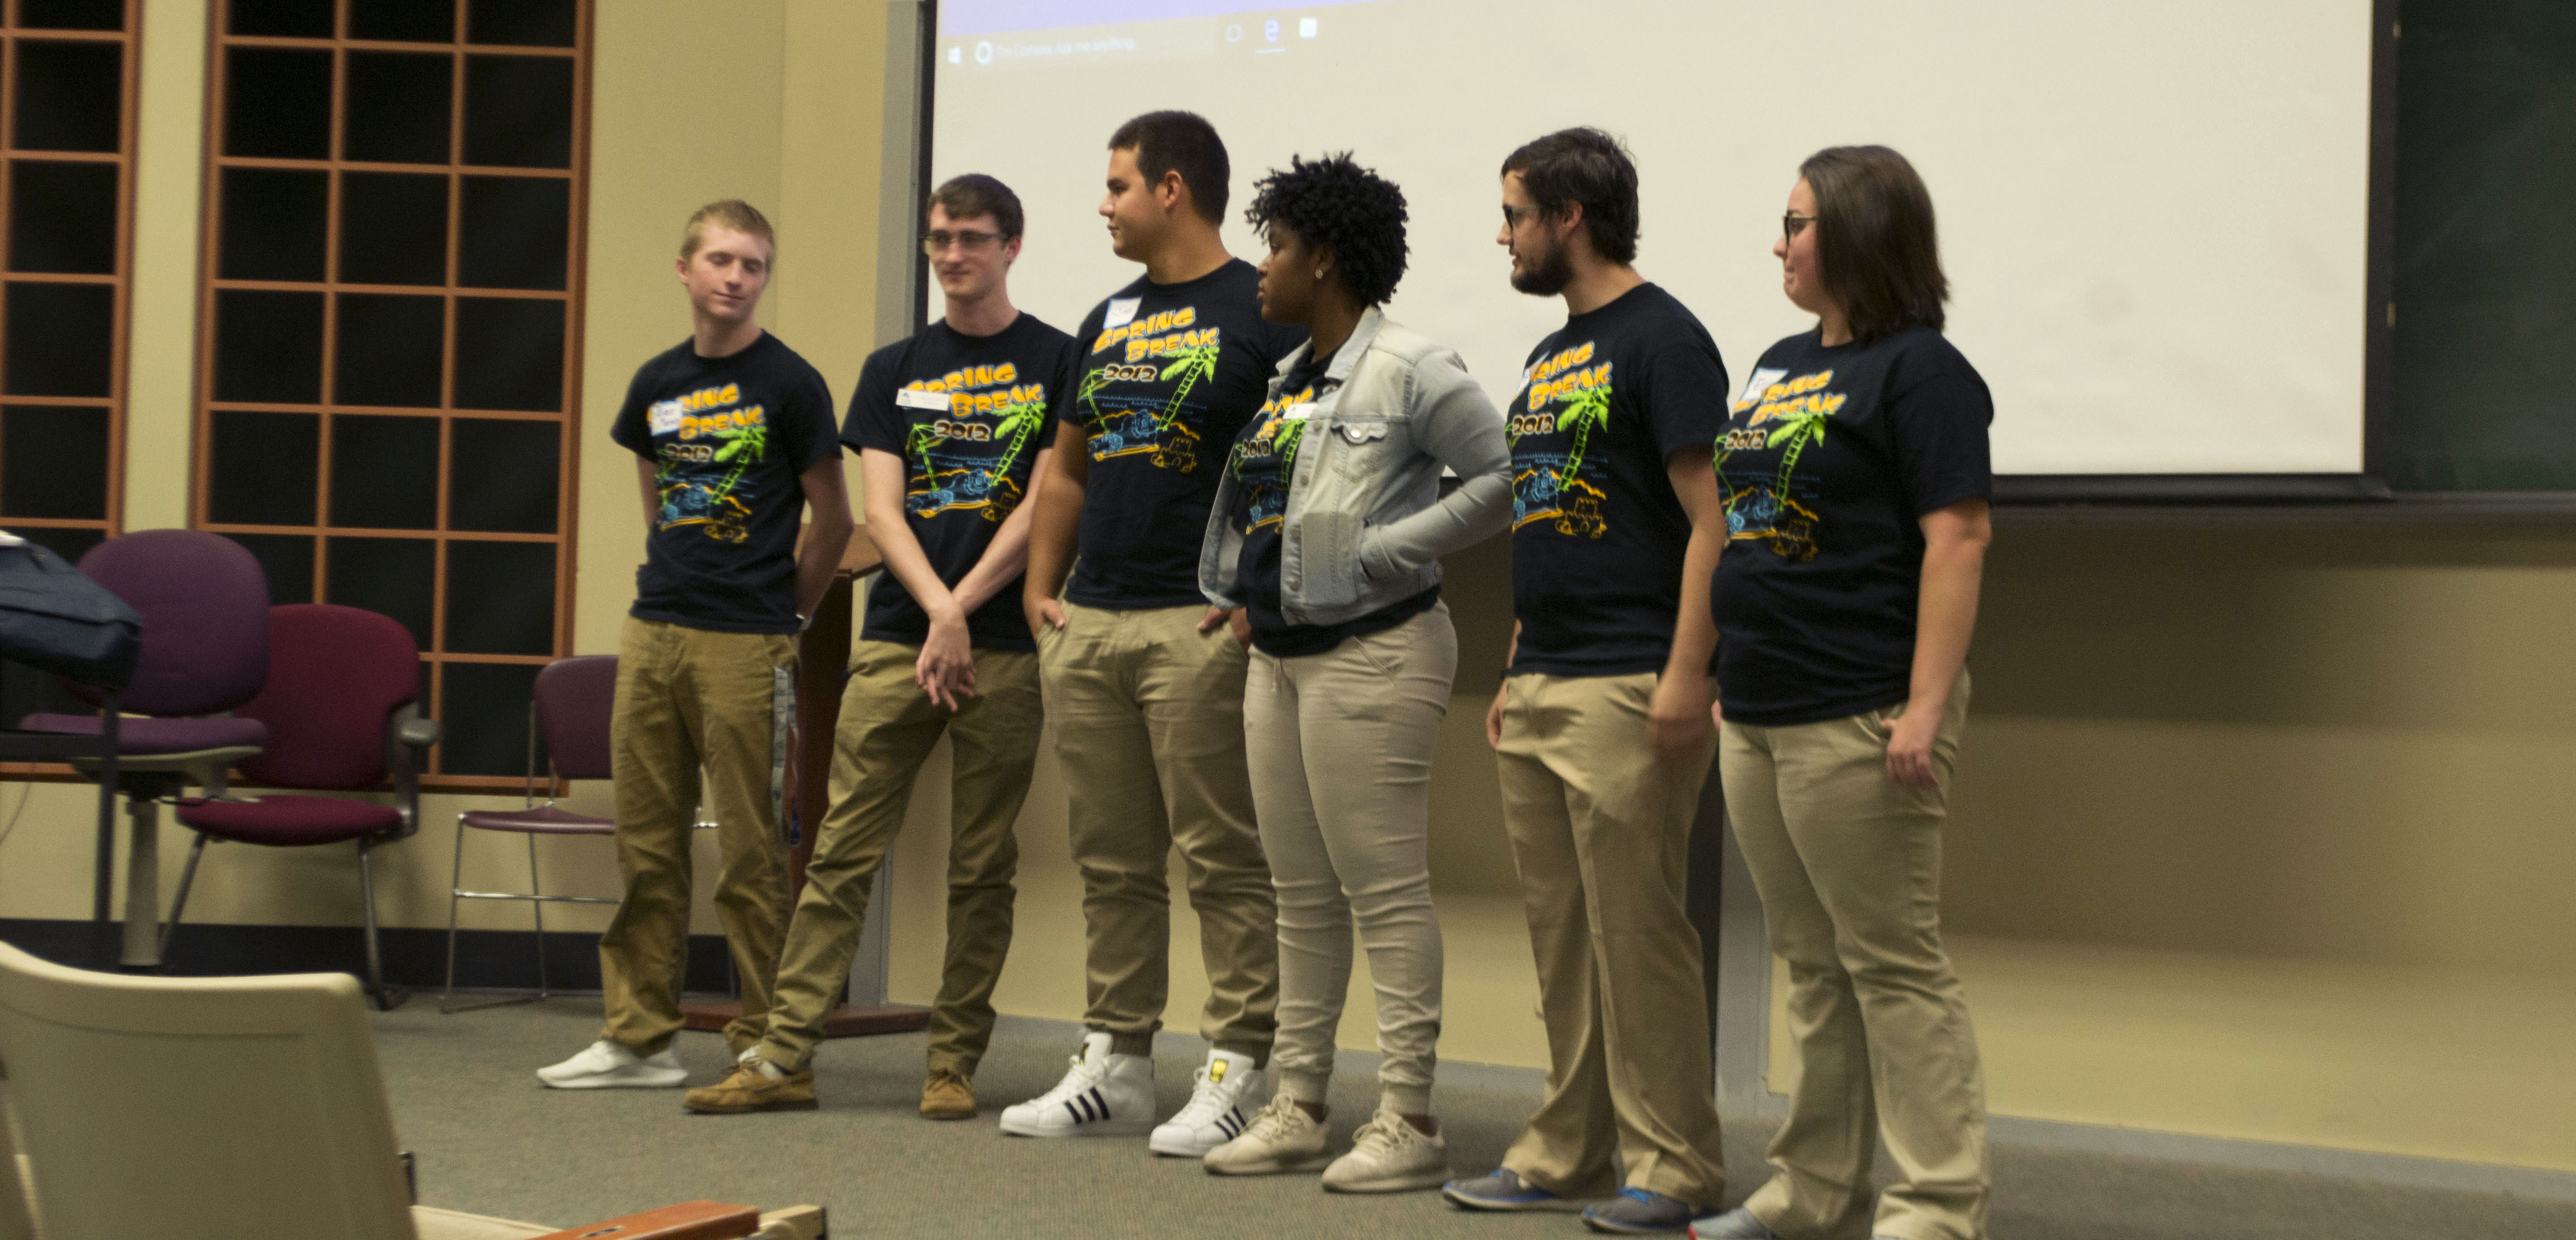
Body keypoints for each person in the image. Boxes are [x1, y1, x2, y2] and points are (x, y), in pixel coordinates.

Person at [680, 175, 1073, 1121]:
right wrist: (939, 611)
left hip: (1006, 646)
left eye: (972, 238)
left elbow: (1050, 499)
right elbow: (881, 513)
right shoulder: (894, 365)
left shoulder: (1061, 360)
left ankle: (952, 1065)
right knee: (841, 851)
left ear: (1012, 246)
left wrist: (965, 608)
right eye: (939, 237)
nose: (951, 254)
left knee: (982, 865)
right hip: (902, 638)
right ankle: (783, 1057)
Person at [1689, 146, 1994, 1240]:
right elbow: (1744, 525)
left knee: (1891, 965)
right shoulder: (1774, 363)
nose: (1780, 241)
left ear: (1860, 233)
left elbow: (1957, 539)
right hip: (1759, 708)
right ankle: (1813, 1194)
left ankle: (1936, 1207)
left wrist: (1921, 706)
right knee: (1813, 969)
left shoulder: (1923, 372)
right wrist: (1729, 675)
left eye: (1799, 221)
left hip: (1862, 708)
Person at [1193, 154, 1512, 1192]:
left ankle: (1409, 1117)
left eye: (1276, 247)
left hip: (1379, 652)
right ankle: (1300, 1103)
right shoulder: (1292, 378)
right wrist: (1249, 587)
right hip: (1279, 658)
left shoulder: (1413, 366)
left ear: (1324, 258)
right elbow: (1279, 511)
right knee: (1299, 895)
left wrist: (1384, 551)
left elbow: (1503, 479)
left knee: (1382, 891)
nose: (1260, 267)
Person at [1439, 128, 1733, 1235]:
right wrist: (1519, 660)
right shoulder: (1553, 355)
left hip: (1631, 679)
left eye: (1515, 213)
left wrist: (1685, 672)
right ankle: (1569, 1148)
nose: (1504, 234)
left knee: (1639, 937)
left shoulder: (1665, 342)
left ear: (1570, 217)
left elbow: (1715, 522)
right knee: (1564, 943)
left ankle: (1677, 1168)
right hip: (1550, 675)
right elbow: (1560, 517)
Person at [1006, 111, 1304, 1154]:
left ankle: (1235, 1064)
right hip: (1091, 621)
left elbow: (1296, 469)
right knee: (1112, 859)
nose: (1104, 204)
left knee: (1221, 856)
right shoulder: (1108, 316)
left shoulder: (1262, 307)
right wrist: (1045, 595)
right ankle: (1118, 1060)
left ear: (1172, 189)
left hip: (1200, 623)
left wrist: (1260, 595)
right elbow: (1069, 467)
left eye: (1118, 185)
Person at [538, 200, 852, 1090]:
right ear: (685, 270)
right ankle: (639, 1037)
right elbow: (656, 502)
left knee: (753, 853)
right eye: (720, 260)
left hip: (746, 642)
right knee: (645, 843)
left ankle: (770, 1040)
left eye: (752, 265)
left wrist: (785, 615)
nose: (735, 277)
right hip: (654, 632)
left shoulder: (790, 383)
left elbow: (833, 522)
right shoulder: (656, 384)